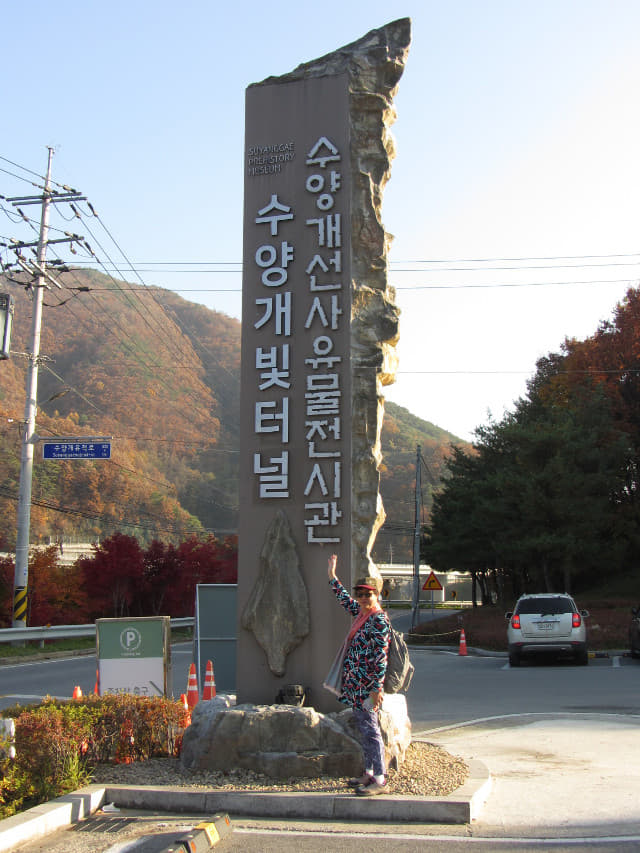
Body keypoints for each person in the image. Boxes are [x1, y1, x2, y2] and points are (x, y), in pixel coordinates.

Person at [327, 552, 390, 796]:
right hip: (354, 684)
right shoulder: (361, 615)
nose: (364, 598)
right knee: (363, 729)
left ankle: (381, 779)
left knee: (372, 730)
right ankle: (369, 772)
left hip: (367, 686)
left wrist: (376, 689)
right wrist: (332, 576)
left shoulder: (378, 621)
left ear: (377, 595)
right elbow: (344, 600)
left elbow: (381, 657)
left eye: (368, 594)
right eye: (361, 594)